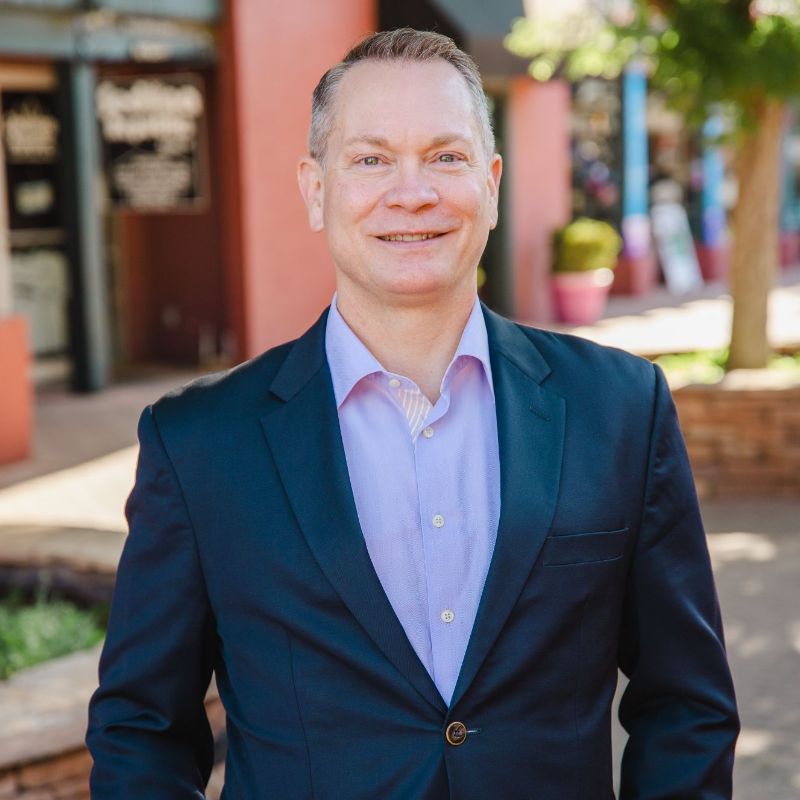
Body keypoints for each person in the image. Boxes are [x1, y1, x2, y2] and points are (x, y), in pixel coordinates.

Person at [87, 28, 739, 799]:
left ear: (492, 184)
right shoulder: (198, 445)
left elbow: (687, 705)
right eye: (370, 159)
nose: (413, 192)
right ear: (315, 189)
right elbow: (141, 732)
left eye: (446, 156)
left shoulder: (620, 411)